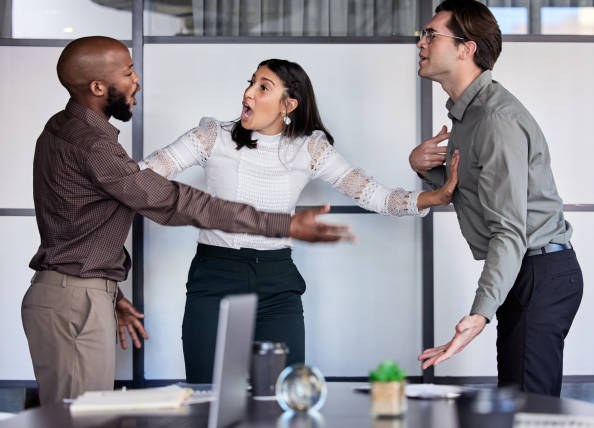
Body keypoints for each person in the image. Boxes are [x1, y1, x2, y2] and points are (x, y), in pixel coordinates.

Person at [22, 36, 352, 405]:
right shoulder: (92, 144)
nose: (137, 80)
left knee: (82, 411)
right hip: (76, 297)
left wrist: (107, 292)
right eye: (128, 71)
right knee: (81, 415)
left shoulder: (66, 128)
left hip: (77, 292)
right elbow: (174, 201)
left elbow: (78, 227)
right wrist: (284, 224)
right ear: (99, 87)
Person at [140, 58, 460, 383]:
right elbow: (140, 178)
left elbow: (374, 194)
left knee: (283, 394)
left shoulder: (309, 149)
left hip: (277, 283)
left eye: (263, 87)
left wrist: (435, 196)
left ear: (288, 104)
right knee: (205, 395)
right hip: (214, 277)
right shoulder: (211, 136)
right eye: (250, 83)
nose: (248, 93)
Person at [410, 0, 582, 396]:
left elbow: (509, 229)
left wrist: (479, 315)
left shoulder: (494, 120)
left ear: (465, 48)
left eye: (431, 34)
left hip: (539, 270)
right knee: (519, 400)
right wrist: (422, 166)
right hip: (526, 269)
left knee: (529, 410)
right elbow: (468, 191)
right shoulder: (468, 116)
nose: (421, 43)